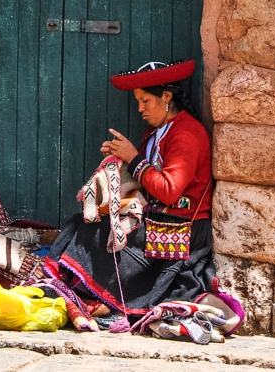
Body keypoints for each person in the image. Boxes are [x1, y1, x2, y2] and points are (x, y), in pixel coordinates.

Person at [47, 60, 215, 325]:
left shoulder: (187, 134)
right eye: (139, 101)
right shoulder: (156, 133)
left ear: (167, 96)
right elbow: (145, 176)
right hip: (156, 220)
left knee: (98, 232)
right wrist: (120, 160)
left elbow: (169, 192)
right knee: (85, 221)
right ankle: (74, 289)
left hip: (180, 231)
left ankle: (97, 297)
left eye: (145, 101)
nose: (140, 109)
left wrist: (134, 158)